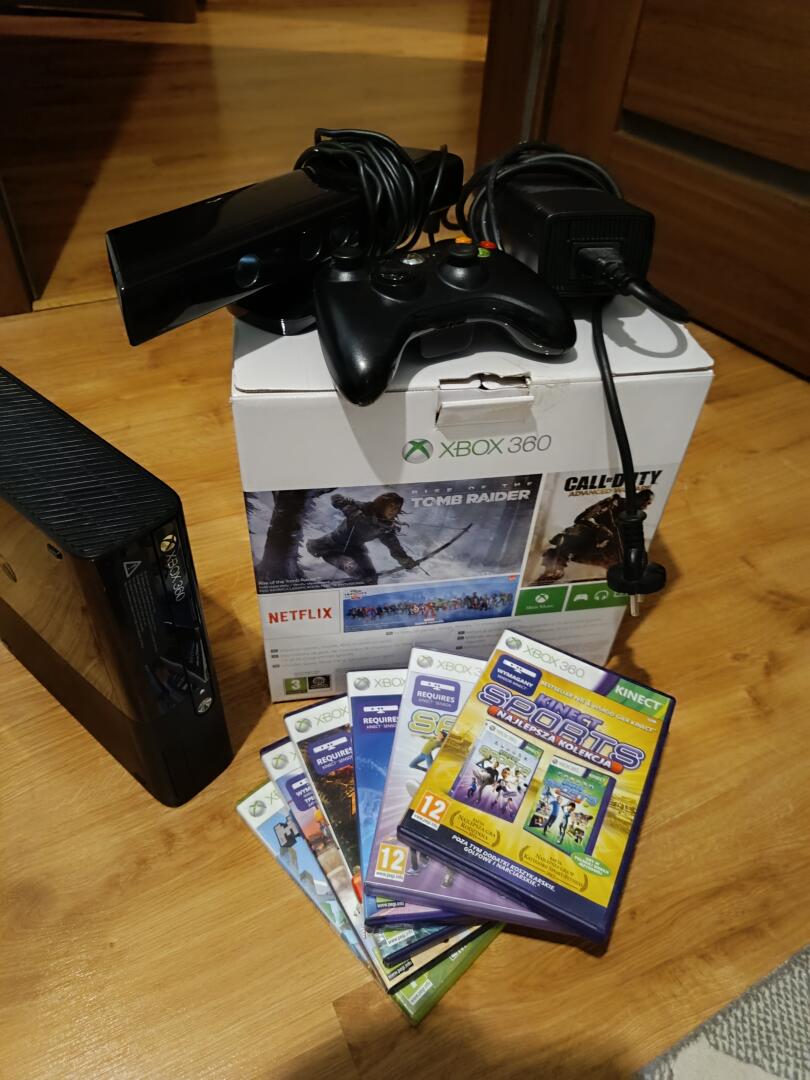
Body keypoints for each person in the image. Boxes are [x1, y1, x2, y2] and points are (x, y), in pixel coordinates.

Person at [537, 487, 655, 583]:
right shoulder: (613, 503)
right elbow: (583, 518)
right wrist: (600, 528)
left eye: (648, 504)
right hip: (589, 539)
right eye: (644, 502)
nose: (645, 507)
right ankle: (553, 569)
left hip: (607, 550)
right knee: (572, 537)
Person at [306, 491, 418, 584]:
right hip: (331, 547)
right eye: (391, 506)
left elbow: (394, 547)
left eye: (397, 508)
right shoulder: (365, 508)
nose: (393, 511)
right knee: (355, 569)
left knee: (371, 577)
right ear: (383, 505)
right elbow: (336, 498)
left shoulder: (386, 528)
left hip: (356, 551)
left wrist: (406, 561)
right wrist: (350, 509)